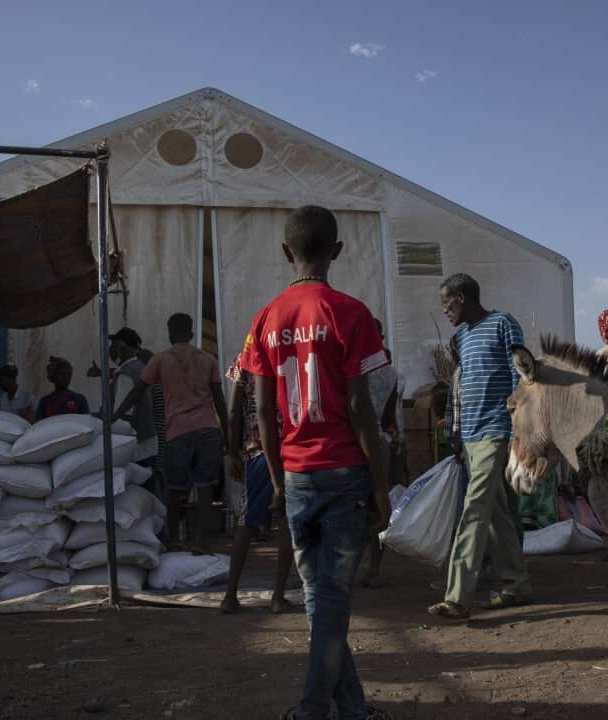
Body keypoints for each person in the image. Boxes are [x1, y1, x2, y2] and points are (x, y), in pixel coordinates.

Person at [240, 205, 392, 720]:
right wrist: (382, 486)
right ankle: (312, 709)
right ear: (338, 251)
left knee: (319, 601)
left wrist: (280, 484)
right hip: (346, 473)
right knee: (329, 603)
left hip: (299, 475)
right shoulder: (351, 313)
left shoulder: (265, 318)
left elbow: (262, 411)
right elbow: (360, 407)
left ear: (287, 253)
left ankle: (353, 710)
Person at [428, 273, 533, 621]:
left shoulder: (503, 323)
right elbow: (463, 387)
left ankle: (457, 597)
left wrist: (519, 427)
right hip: (471, 436)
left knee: (474, 509)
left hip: (495, 430)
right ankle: (517, 584)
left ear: (461, 297)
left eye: (447, 303)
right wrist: (458, 438)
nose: (445, 310)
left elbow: (521, 374)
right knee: (495, 514)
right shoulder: (462, 337)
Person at [113, 313, 227, 549]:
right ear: (193, 333)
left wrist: (113, 415)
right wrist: (228, 434)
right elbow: (220, 401)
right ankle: (202, 541)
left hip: (177, 432)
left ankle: (173, 540)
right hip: (207, 430)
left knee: (175, 489)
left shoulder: (160, 360)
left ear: (169, 333)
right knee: (205, 488)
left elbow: (136, 391)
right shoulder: (208, 360)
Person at [219, 354, 294, 615]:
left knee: (246, 523)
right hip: (288, 450)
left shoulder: (244, 360)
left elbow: (233, 412)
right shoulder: (287, 352)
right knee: (286, 523)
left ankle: (230, 596)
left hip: (256, 452)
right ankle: (277, 596)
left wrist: (232, 452)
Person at [360, 319, 401, 588]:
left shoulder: (351, 367)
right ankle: (374, 568)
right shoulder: (390, 372)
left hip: (352, 442)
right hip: (380, 441)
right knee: (379, 504)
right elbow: (388, 418)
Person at [91, 328, 158, 464]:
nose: (110, 350)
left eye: (113, 345)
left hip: (137, 448)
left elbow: (123, 417)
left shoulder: (125, 375)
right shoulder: (142, 368)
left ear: (121, 347)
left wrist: (98, 418)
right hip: (149, 443)